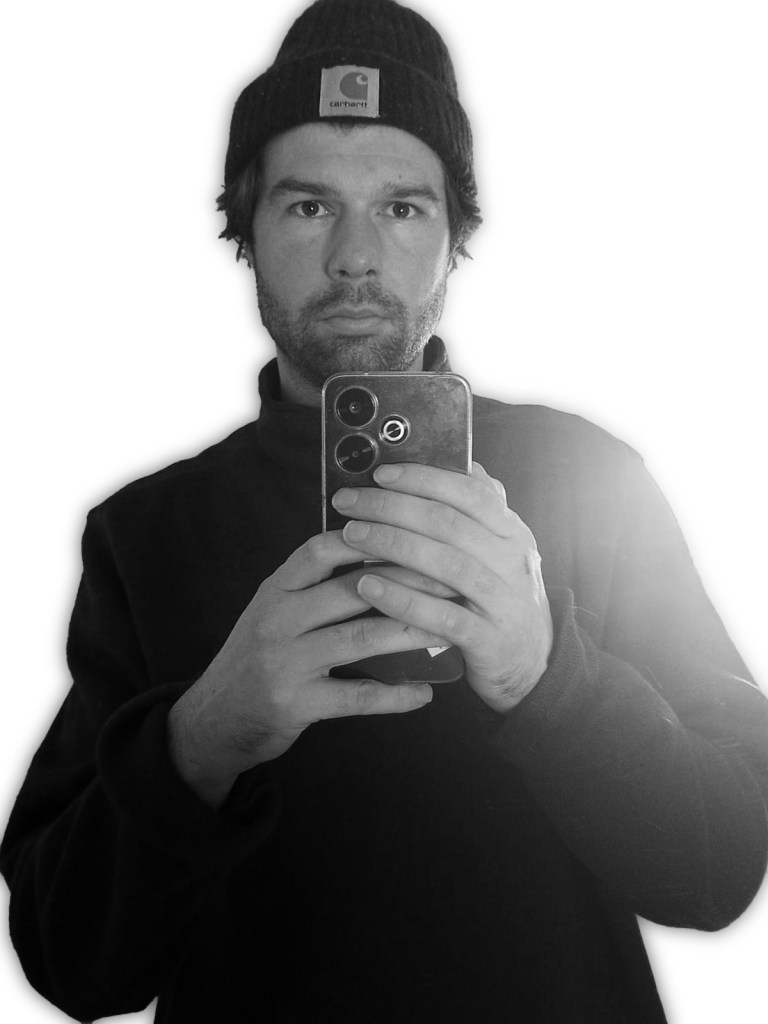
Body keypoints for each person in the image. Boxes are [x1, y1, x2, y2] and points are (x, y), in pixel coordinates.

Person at [2, 0, 767, 1021]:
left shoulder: (592, 477)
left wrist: (547, 677)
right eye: (308, 205)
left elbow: (719, 870)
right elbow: (68, 962)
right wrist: (206, 735)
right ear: (246, 228)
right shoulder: (147, 534)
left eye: (402, 208)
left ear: (455, 237)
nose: (356, 256)